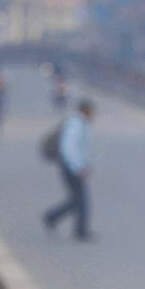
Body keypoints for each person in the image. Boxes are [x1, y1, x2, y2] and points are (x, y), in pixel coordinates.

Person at [44, 100, 97, 242]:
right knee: (81, 200)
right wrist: (78, 167)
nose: (93, 115)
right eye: (92, 112)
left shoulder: (80, 124)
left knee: (77, 200)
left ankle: (52, 217)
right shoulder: (76, 125)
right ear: (86, 110)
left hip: (72, 166)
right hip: (71, 167)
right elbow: (68, 148)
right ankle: (79, 231)